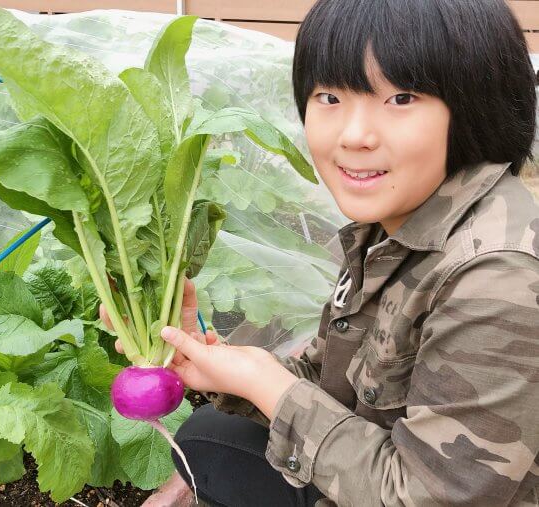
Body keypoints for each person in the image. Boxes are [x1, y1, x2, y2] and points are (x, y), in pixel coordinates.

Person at [101, 0, 539, 505]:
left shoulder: (498, 276)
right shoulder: (395, 224)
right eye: (329, 96)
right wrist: (211, 359)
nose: (354, 136)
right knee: (209, 439)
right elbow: (333, 385)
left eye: (400, 98)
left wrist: (269, 385)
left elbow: (431, 497)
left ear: (473, 105)